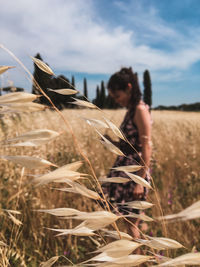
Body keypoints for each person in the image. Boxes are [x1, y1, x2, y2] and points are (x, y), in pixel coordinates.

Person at [102, 67, 152, 239]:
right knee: (131, 220)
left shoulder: (140, 110)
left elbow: (146, 146)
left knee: (131, 221)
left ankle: (138, 262)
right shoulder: (130, 111)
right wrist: (110, 142)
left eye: (117, 96)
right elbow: (129, 145)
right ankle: (144, 256)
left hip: (134, 174)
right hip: (125, 170)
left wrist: (140, 181)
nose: (116, 100)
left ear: (129, 88)